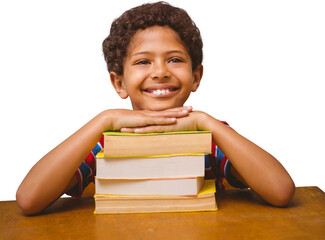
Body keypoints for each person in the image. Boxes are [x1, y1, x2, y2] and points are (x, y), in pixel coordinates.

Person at [16, 1, 295, 215]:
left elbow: (281, 191)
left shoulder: (209, 138)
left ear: (196, 76)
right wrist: (102, 120)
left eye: (174, 59)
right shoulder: (104, 141)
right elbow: (29, 200)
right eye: (142, 62)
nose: (160, 72)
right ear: (119, 83)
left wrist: (207, 122)